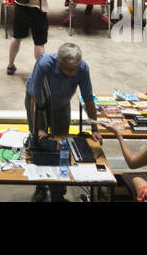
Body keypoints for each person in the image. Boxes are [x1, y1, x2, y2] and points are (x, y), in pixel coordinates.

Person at [25, 43, 99, 202]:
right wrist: (38, 128)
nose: (74, 72)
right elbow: (35, 99)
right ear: (59, 63)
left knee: (61, 147)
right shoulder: (44, 65)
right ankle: (41, 188)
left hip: (62, 104)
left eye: (76, 68)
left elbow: (88, 98)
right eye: (70, 69)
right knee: (41, 145)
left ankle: (58, 194)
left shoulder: (82, 68)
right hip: (39, 105)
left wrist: (95, 128)